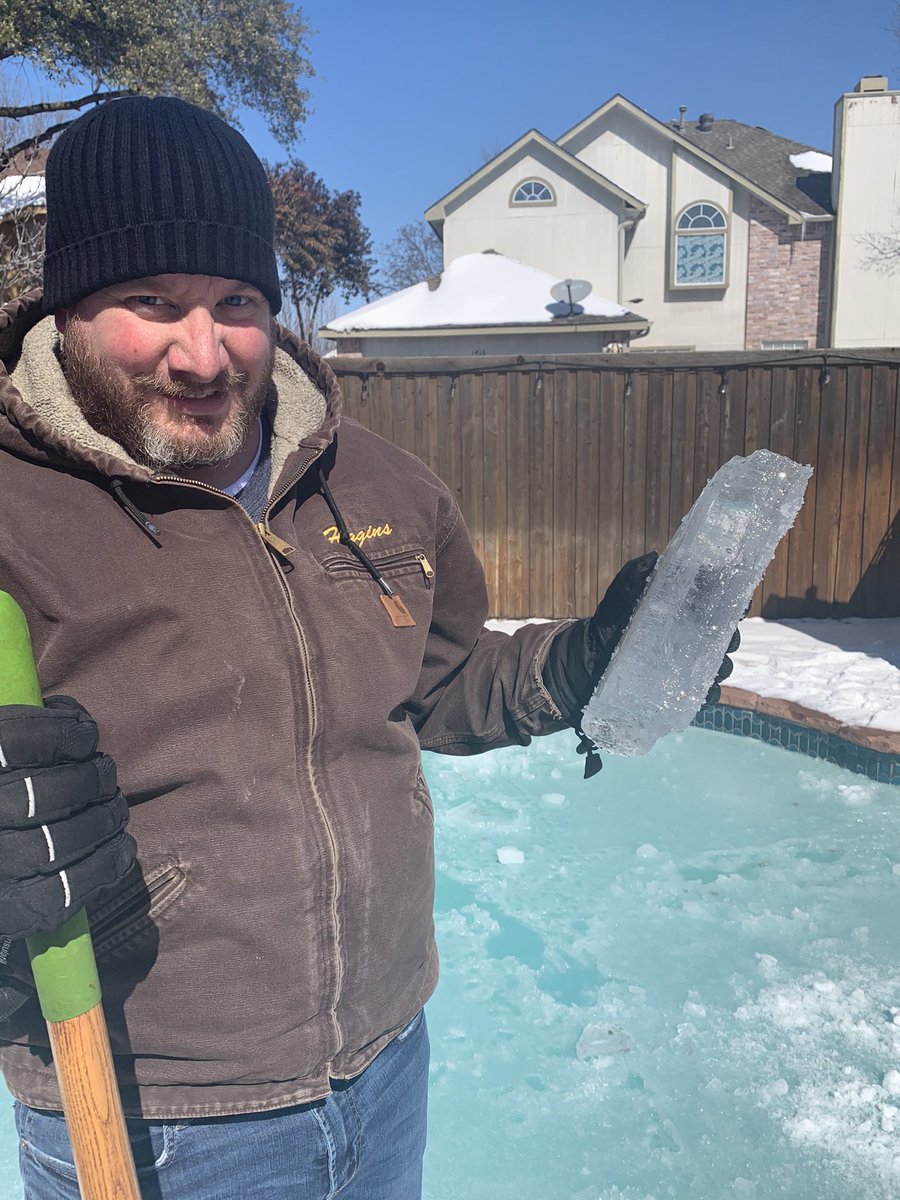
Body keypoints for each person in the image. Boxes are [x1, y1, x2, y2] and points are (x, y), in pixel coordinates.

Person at [0, 96, 735, 1199]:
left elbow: (441, 683)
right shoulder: (15, 506)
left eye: (236, 303)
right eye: (151, 301)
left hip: (387, 1068)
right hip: (155, 1106)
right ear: (66, 310)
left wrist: (581, 663)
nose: (202, 353)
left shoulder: (376, 480)